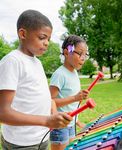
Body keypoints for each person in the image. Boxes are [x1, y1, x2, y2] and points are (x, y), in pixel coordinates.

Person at [0, 10, 72, 150]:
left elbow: (44, 97)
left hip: (41, 137)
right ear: (23, 34)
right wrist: (46, 120)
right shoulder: (12, 61)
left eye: (48, 39)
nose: (46, 43)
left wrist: (55, 114)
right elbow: (2, 112)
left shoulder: (37, 63)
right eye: (42, 37)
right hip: (21, 143)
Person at [49, 35, 90, 150]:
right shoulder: (59, 74)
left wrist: (77, 121)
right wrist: (75, 98)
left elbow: (71, 104)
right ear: (67, 53)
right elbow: (49, 101)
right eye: (80, 53)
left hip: (70, 124)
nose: (83, 58)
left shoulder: (74, 73)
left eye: (85, 54)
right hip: (60, 125)